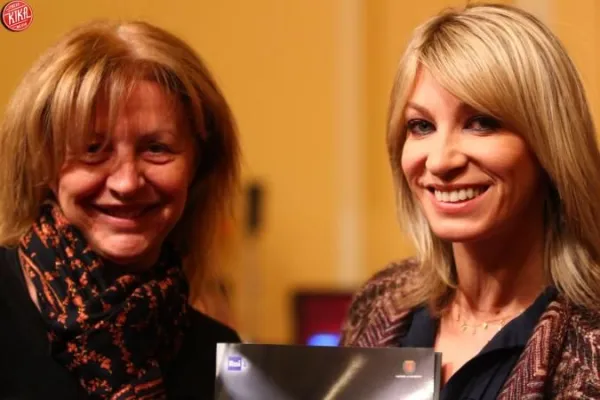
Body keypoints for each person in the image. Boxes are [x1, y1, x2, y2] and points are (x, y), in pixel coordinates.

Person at [340, 4, 600, 399]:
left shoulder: (590, 339)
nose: (440, 161)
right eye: (421, 126)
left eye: (481, 123)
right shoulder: (380, 300)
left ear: (549, 144)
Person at [0, 20, 241, 399]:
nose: (126, 183)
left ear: (198, 165)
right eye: (93, 149)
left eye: (157, 148)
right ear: (43, 162)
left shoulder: (219, 355)